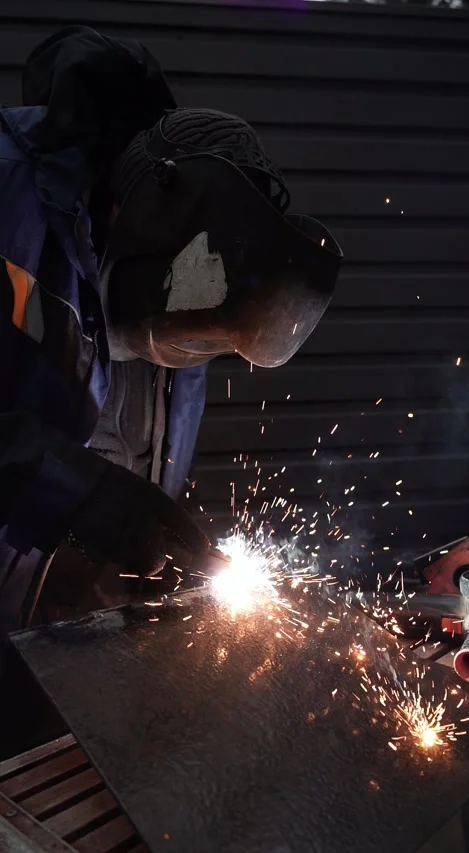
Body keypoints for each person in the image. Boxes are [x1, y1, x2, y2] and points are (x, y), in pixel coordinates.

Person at [0, 26, 342, 644]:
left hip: (48, 629)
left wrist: (158, 533)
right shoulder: (9, 201)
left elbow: (135, 445)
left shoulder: (189, 279)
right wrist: (68, 491)